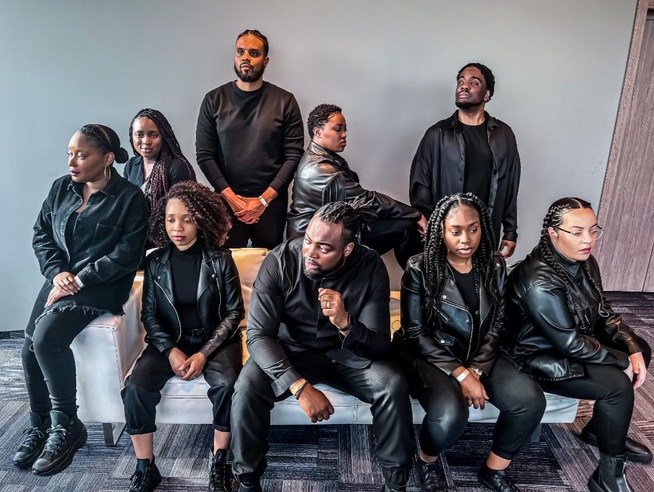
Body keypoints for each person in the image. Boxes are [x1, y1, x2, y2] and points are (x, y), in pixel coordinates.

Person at [230, 202, 414, 492]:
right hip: (291, 351)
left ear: (347, 249)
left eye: (324, 248)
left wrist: (346, 324)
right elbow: (258, 336)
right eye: (308, 241)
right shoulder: (280, 261)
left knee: (391, 384)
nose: (310, 253)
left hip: (348, 355)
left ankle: (396, 484)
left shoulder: (370, 265)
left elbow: (379, 345)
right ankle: (247, 481)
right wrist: (299, 386)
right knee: (246, 388)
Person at [15, 125, 149, 475]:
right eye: (70, 154)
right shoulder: (61, 188)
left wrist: (80, 279)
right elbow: (41, 234)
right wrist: (57, 272)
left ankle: (67, 425)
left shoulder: (131, 198)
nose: (72, 162)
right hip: (61, 280)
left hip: (101, 285)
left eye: (81, 154)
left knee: (47, 340)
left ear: (107, 159)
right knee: (28, 350)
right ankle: (40, 425)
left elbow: (126, 255)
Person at [396, 193, 545, 492]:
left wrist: (476, 368)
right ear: (441, 232)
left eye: (473, 229)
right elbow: (415, 333)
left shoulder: (494, 265)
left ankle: (493, 470)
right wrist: (461, 374)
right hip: (432, 357)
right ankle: (426, 460)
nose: (466, 239)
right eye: (456, 231)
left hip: (480, 353)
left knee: (529, 401)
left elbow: (499, 323)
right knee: (451, 415)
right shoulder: (419, 268)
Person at [506, 197, 651, 492]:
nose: (588, 240)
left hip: (572, 342)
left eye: (593, 230)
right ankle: (608, 475)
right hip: (539, 358)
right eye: (577, 232)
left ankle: (601, 430)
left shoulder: (583, 261)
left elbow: (603, 311)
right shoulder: (538, 280)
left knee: (641, 348)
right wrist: (621, 361)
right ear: (553, 233)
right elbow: (569, 344)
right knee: (616, 385)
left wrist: (630, 346)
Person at [121, 182, 244, 492]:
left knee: (227, 385)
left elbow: (234, 314)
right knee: (136, 387)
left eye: (187, 219)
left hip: (216, 341)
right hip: (170, 342)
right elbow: (149, 316)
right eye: (171, 219)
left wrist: (203, 353)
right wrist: (171, 350)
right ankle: (145, 466)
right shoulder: (155, 262)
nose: (178, 228)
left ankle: (220, 462)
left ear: (201, 220)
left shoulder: (220, 259)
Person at [196, 29, 304, 249]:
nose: (245, 57)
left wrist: (263, 201)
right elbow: (205, 155)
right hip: (226, 203)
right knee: (226, 264)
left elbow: (293, 156)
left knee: (269, 264)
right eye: (240, 52)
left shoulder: (285, 101)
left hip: (271, 205)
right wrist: (233, 200)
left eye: (253, 53)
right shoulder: (214, 100)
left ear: (265, 61)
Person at [287, 104, 426, 267]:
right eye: (338, 129)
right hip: (315, 241)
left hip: (325, 232)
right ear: (318, 132)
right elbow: (366, 200)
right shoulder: (320, 169)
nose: (344, 134)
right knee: (407, 227)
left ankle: (418, 279)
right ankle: (420, 281)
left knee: (400, 222)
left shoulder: (319, 157)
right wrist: (415, 214)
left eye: (345, 129)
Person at [409, 62, 521, 258]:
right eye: (461, 81)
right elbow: (420, 184)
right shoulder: (437, 134)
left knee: (483, 276)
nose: (464, 86)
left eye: (474, 82)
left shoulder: (503, 134)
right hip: (446, 234)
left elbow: (511, 183)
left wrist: (510, 231)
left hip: (486, 231)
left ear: (487, 94)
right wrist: (432, 225)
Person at [124, 108, 196, 211]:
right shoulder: (131, 165)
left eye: (153, 135)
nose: (146, 141)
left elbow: (182, 211)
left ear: (164, 137)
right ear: (132, 137)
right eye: (139, 135)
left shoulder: (176, 167)